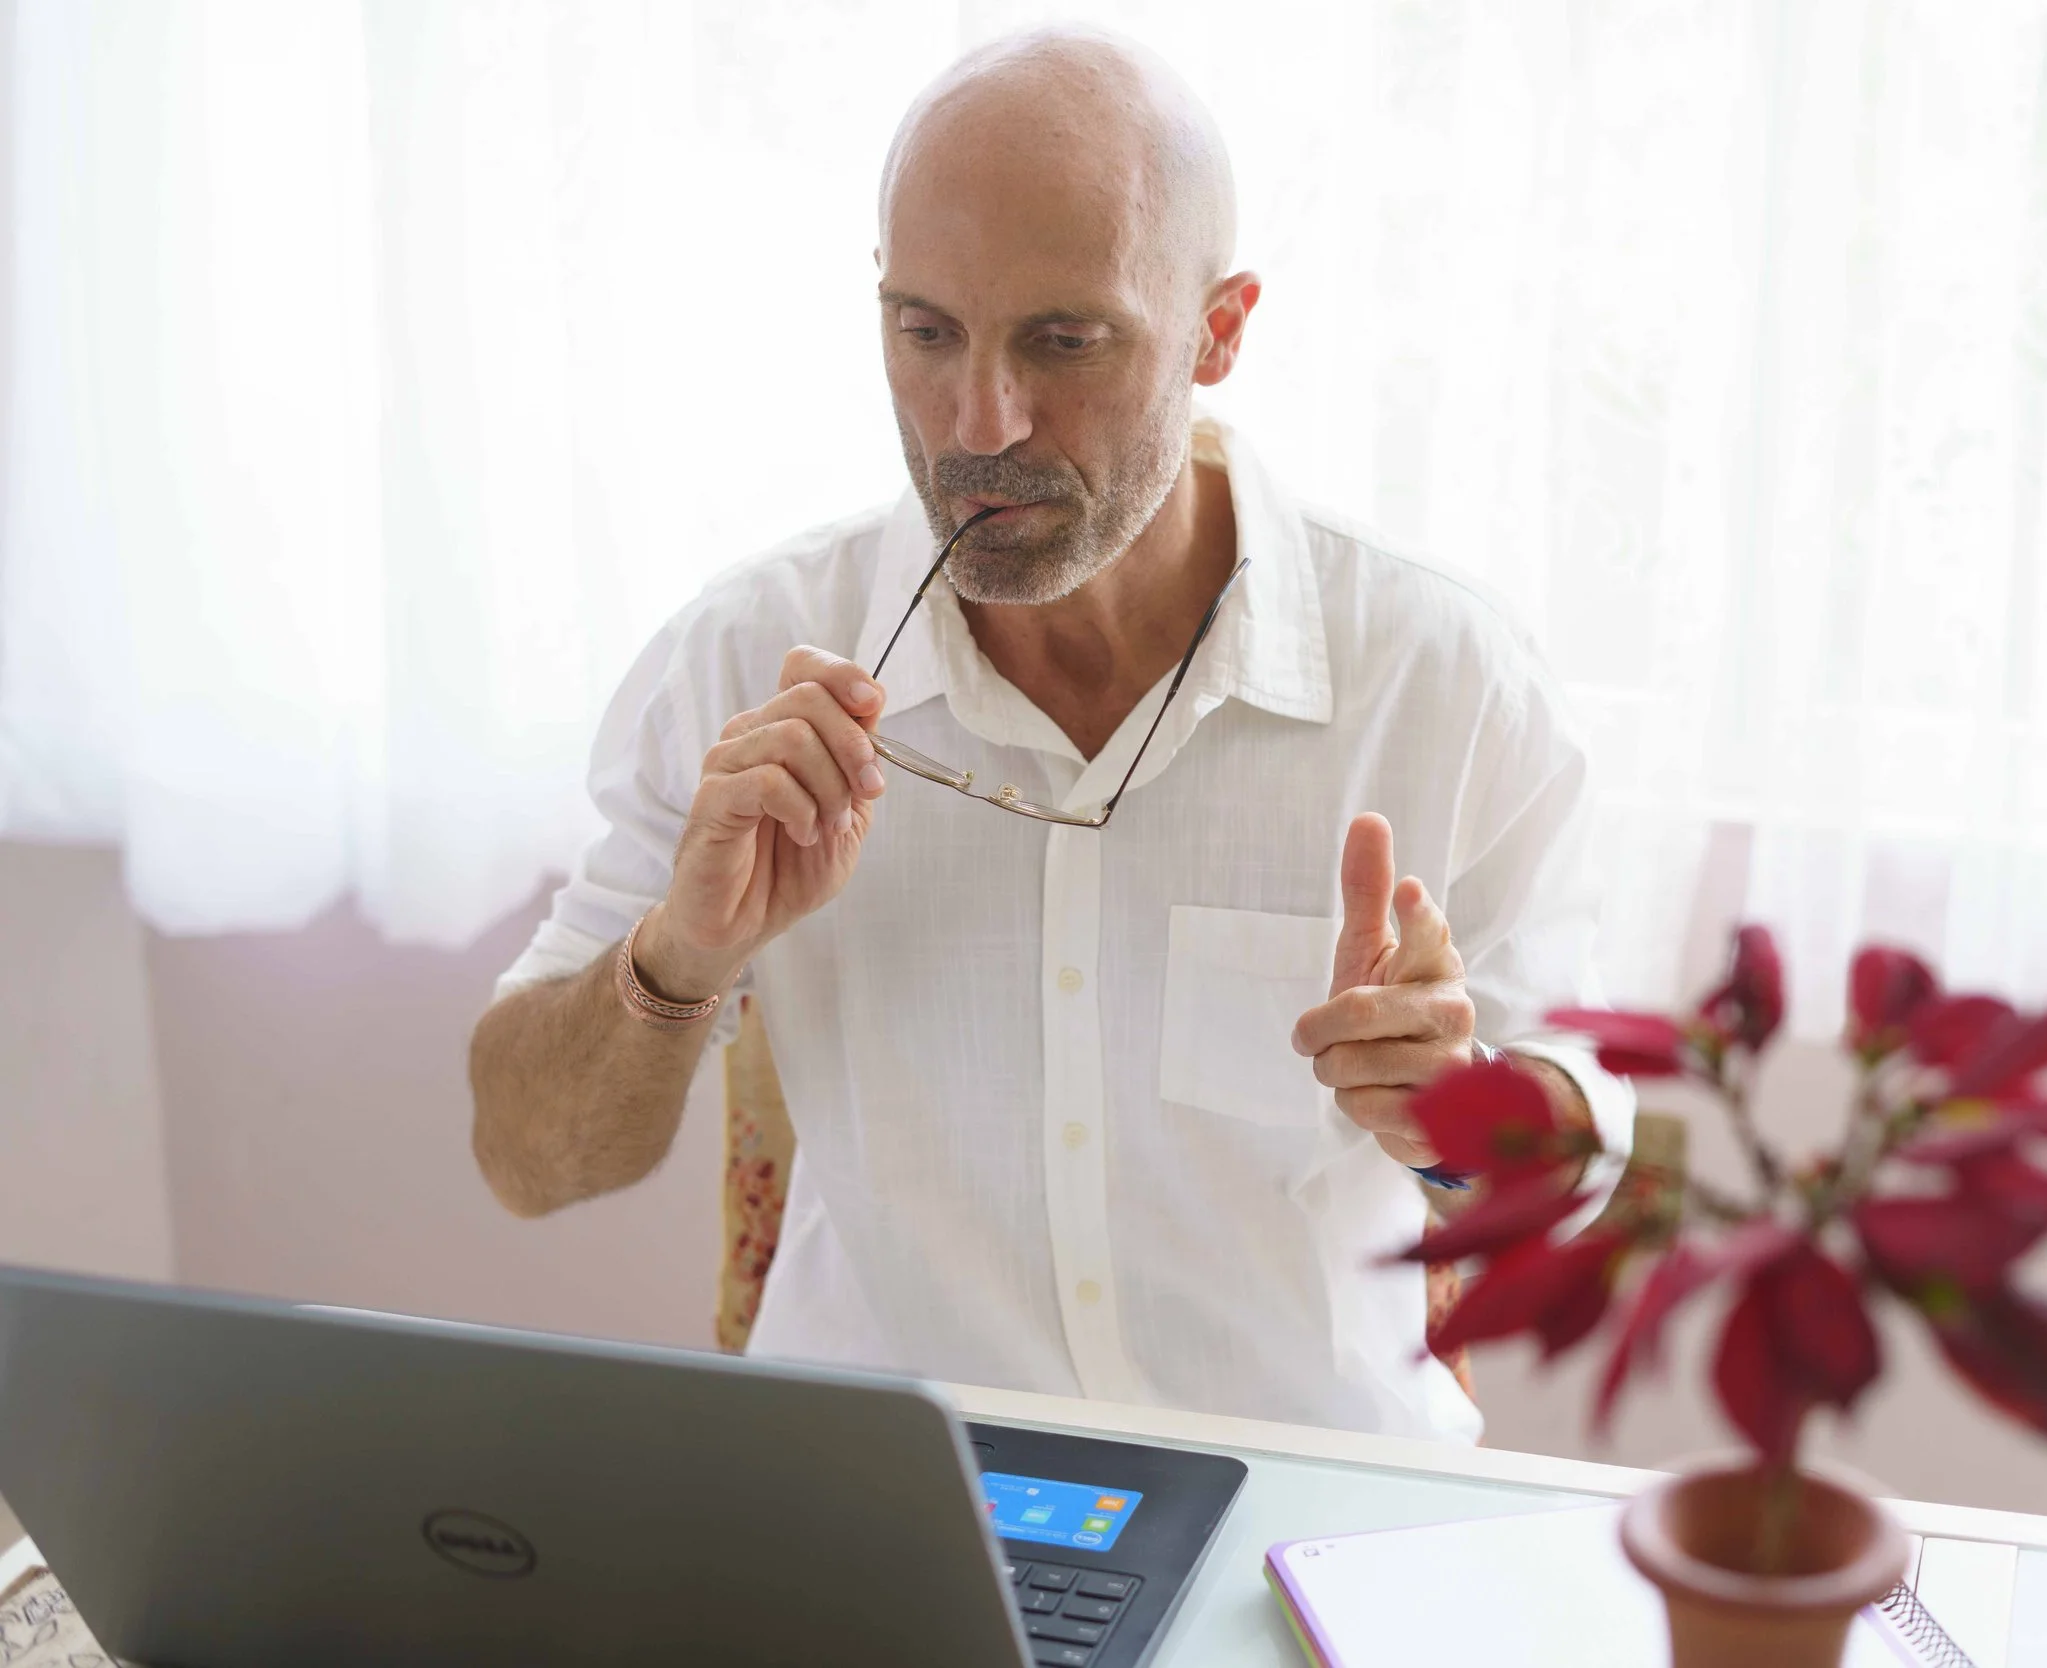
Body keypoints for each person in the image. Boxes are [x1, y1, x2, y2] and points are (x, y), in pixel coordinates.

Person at [468, 27, 1628, 1444]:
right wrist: (681, 959)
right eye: (926, 332)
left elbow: (1578, 1186)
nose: (980, 421)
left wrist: (1466, 1118)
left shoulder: (1445, 685)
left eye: (1062, 342)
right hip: (879, 1514)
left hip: (1293, 1504)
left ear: (1222, 328)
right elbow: (529, 1161)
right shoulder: (744, 655)